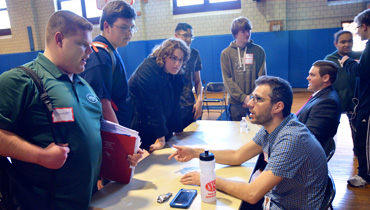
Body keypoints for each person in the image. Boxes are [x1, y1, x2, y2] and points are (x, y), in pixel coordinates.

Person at [169, 76, 328, 209]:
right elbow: (238, 155)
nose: (250, 103)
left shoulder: (292, 139)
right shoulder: (273, 127)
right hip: (277, 199)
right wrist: (196, 153)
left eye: (258, 99)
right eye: (252, 97)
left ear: (278, 107)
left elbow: (252, 194)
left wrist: (207, 179)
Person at [0, 11, 100, 210]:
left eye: (91, 45)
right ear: (59, 39)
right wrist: (40, 156)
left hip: (91, 199)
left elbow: (94, 132)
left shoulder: (82, 84)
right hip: (47, 203)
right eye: (82, 44)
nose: (90, 52)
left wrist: (124, 152)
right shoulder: (20, 80)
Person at [80, 0, 136, 128]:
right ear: (106, 26)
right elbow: (102, 104)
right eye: (123, 27)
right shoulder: (100, 56)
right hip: (111, 135)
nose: (129, 32)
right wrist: (119, 137)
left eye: (131, 28)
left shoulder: (110, 50)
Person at [129, 38, 190, 152]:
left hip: (161, 125)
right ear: (164, 55)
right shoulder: (147, 70)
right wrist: (161, 139)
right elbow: (154, 106)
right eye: (173, 58)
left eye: (181, 60)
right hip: (141, 125)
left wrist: (178, 131)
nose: (177, 64)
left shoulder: (174, 72)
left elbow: (175, 102)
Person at [341, 8, 370, 187]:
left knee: (364, 140)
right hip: (364, 102)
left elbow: (362, 71)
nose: (357, 31)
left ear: (365, 26)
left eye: (357, 28)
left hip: (367, 104)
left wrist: (347, 62)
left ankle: (365, 175)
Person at [221, 16, 267, 121]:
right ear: (235, 33)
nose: (247, 34)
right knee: (236, 133)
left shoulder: (259, 51)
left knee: (257, 131)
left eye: (249, 30)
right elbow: (227, 80)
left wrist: (252, 97)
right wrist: (244, 98)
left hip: (255, 100)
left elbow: (262, 78)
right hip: (235, 102)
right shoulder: (226, 53)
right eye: (243, 31)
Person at [324, 30, 361, 154]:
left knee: (357, 130)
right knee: (328, 129)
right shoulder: (330, 60)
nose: (347, 44)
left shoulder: (360, 56)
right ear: (336, 44)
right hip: (336, 102)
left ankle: (358, 152)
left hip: (355, 102)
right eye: (343, 42)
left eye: (350, 41)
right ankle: (322, 151)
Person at [296, 60, 341, 148]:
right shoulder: (321, 95)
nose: (307, 78)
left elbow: (310, 136)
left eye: (312, 75)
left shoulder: (327, 103)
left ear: (325, 78)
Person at [174, 23, 203, 130]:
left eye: (191, 36)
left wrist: (199, 100)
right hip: (174, 106)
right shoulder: (169, 54)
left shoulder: (194, 54)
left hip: (189, 105)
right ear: (176, 36)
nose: (189, 39)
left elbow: (198, 81)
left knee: (192, 136)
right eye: (185, 35)